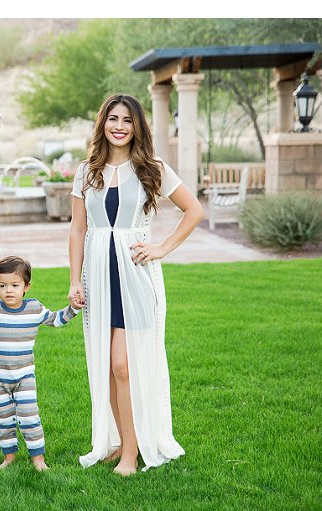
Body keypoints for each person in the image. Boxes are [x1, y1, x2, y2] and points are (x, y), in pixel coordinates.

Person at [68, 94, 205, 476]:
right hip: (98, 275)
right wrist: (73, 281)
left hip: (135, 277)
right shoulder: (86, 171)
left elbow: (194, 210)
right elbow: (78, 229)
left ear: (137, 126)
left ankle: (132, 451)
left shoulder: (152, 168)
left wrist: (161, 248)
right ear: (103, 123)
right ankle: (118, 443)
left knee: (122, 365)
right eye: (113, 118)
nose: (119, 126)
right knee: (109, 367)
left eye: (127, 120)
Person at [0, 255, 79, 471]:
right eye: (2, 285)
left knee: (30, 417)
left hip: (24, 378)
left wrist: (74, 309)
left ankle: (38, 459)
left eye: (15, 285)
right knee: (3, 419)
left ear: (26, 286)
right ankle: (9, 457)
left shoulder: (34, 309)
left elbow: (56, 319)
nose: (9, 290)